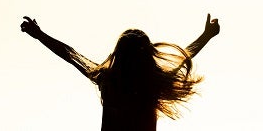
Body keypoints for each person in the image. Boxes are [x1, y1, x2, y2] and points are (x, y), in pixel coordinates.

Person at [20, 13, 220, 131]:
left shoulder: (107, 78)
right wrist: (206, 36)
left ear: (119, 53)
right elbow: (185, 57)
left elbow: (70, 55)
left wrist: (39, 35)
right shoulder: (151, 82)